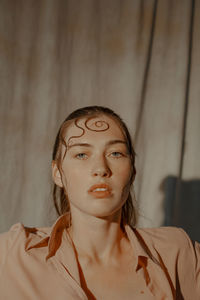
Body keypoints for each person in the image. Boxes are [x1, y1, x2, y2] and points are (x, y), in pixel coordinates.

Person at [0, 105, 199, 300]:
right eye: (81, 154)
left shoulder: (176, 251)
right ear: (58, 173)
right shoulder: (13, 253)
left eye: (115, 153)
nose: (101, 168)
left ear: (132, 171)